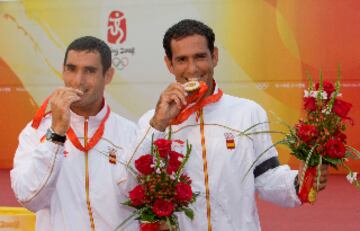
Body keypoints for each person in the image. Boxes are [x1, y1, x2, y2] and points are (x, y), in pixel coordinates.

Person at [133, 19, 328, 230]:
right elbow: (131, 180)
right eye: (182, 60)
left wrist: (300, 182)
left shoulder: (247, 112)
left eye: (200, 57)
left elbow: (267, 178)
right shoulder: (152, 122)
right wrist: (159, 123)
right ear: (169, 64)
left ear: (214, 56)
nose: (193, 68)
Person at [11, 36, 137, 231]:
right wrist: (56, 135)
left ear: (108, 75)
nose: (78, 80)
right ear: (63, 71)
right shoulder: (36, 132)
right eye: (71, 69)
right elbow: (28, 198)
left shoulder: (130, 133)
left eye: (90, 71)